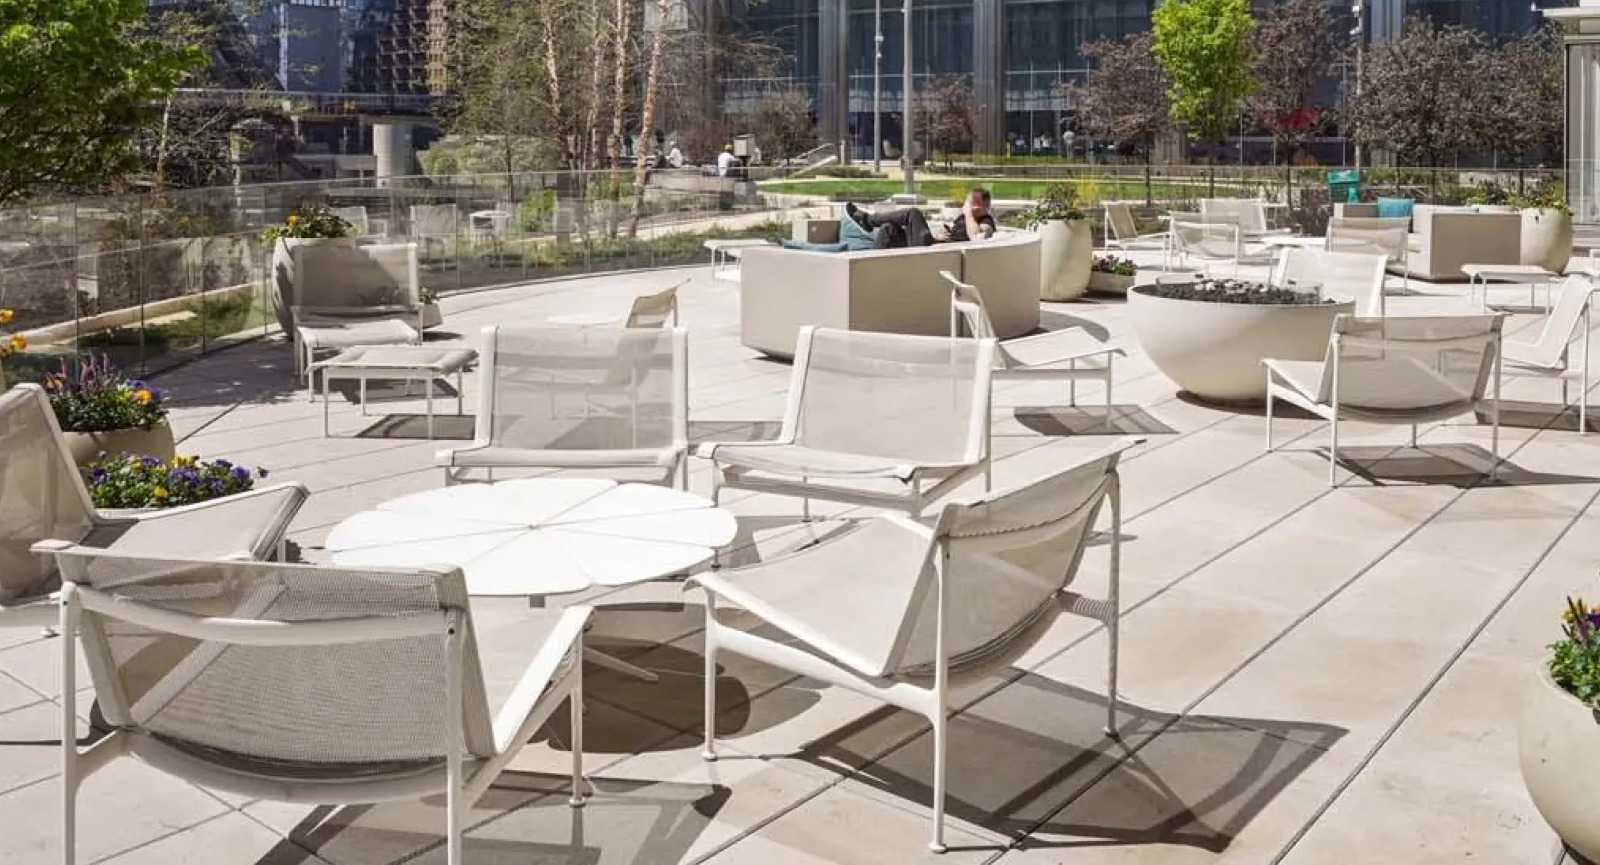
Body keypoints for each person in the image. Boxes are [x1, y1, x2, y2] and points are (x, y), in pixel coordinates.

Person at [845, 187, 997, 248]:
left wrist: (969, 213)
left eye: (969, 202)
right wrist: (942, 235)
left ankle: (868, 220)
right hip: (934, 245)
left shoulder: (986, 221)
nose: (965, 205)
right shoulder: (964, 219)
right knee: (889, 229)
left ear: (981, 206)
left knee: (913, 213)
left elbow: (979, 238)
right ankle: (869, 266)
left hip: (934, 253)